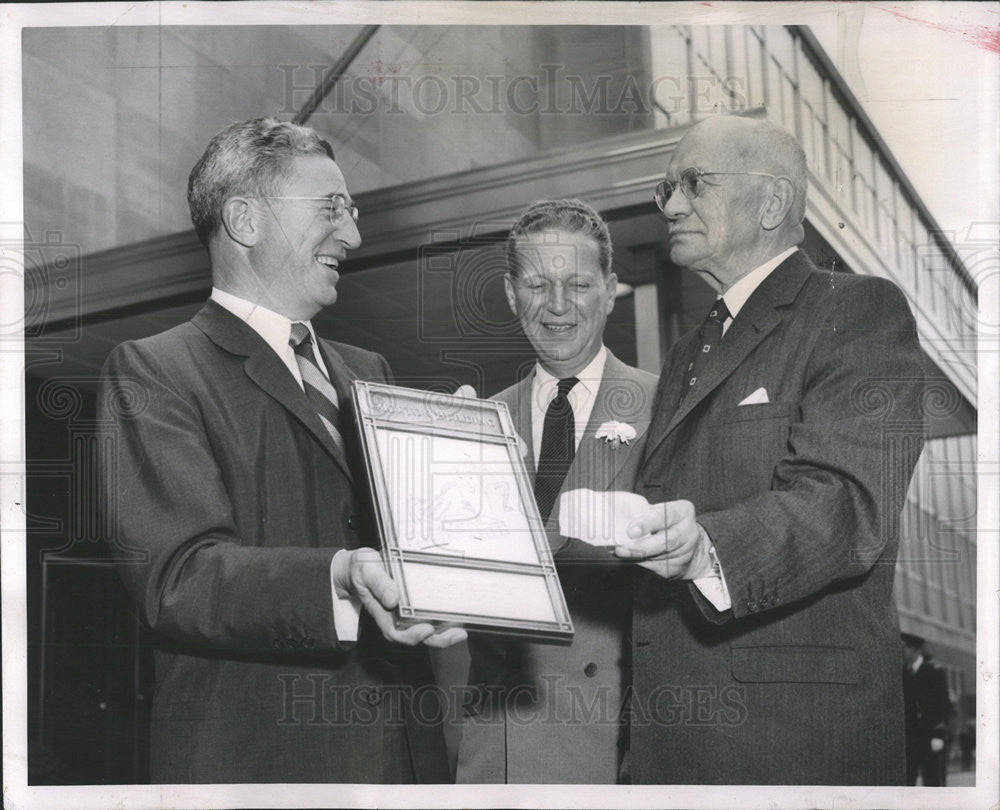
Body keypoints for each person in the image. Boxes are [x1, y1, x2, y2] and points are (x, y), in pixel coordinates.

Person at [98, 117, 464, 783]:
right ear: (245, 220)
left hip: (407, 763)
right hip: (264, 767)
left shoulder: (369, 371)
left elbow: (404, 560)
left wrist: (466, 483)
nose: (352, 235)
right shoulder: (158, 371)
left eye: (350, 211)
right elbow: (179, 579)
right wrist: (338, 577)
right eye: (330, 209)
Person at [613, 115, 925, 784]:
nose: (669, 205)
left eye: (692, 183)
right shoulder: (689, 350)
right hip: (675, 752)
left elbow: (846, 504)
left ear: (774, 203)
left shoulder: (859, 311)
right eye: (666, 188)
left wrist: (707, 547)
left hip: (791, 751)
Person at [455, 199, 658, 783]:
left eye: (578, 283)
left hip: (615, 750)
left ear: (612, 288)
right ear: (511, 293)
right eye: (539, 284)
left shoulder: (666, 407)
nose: (559, 305)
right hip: (499, 754)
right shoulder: (477, 422)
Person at [902, 632, 953, 786]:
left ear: (916, 650)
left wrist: (939, 734)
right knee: (907, 781)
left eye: (905, 648)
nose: (902, 652)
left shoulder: (934, 672)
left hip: (930, 737)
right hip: (909, 739)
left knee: (933, 782)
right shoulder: (902, 673)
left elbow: (943, 704)